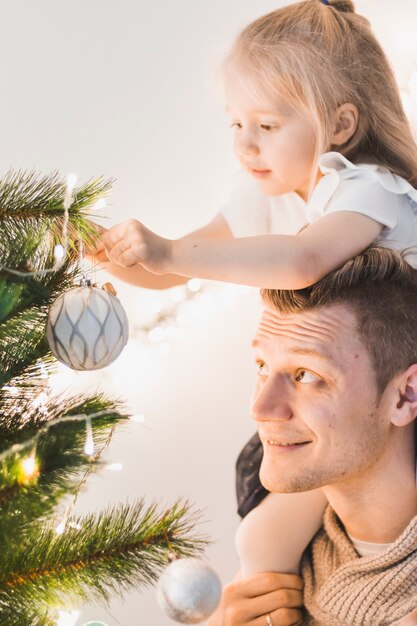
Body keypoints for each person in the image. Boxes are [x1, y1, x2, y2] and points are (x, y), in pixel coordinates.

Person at [88, 0, 417, 579]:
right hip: (356, 412)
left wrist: (164, 249)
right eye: (235, 124)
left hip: (398, 394)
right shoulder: (270, 198)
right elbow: (175, 266)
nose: (245, 146)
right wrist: (110, 254)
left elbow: (303, 261)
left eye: (266, 126)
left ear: (339, 125)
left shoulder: (374, 191)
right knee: (262, 543)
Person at [207, 246, 417, 626]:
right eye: (262, 366)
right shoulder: (269, 573)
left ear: (405, 396)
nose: (261, 408)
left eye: (306, 374)